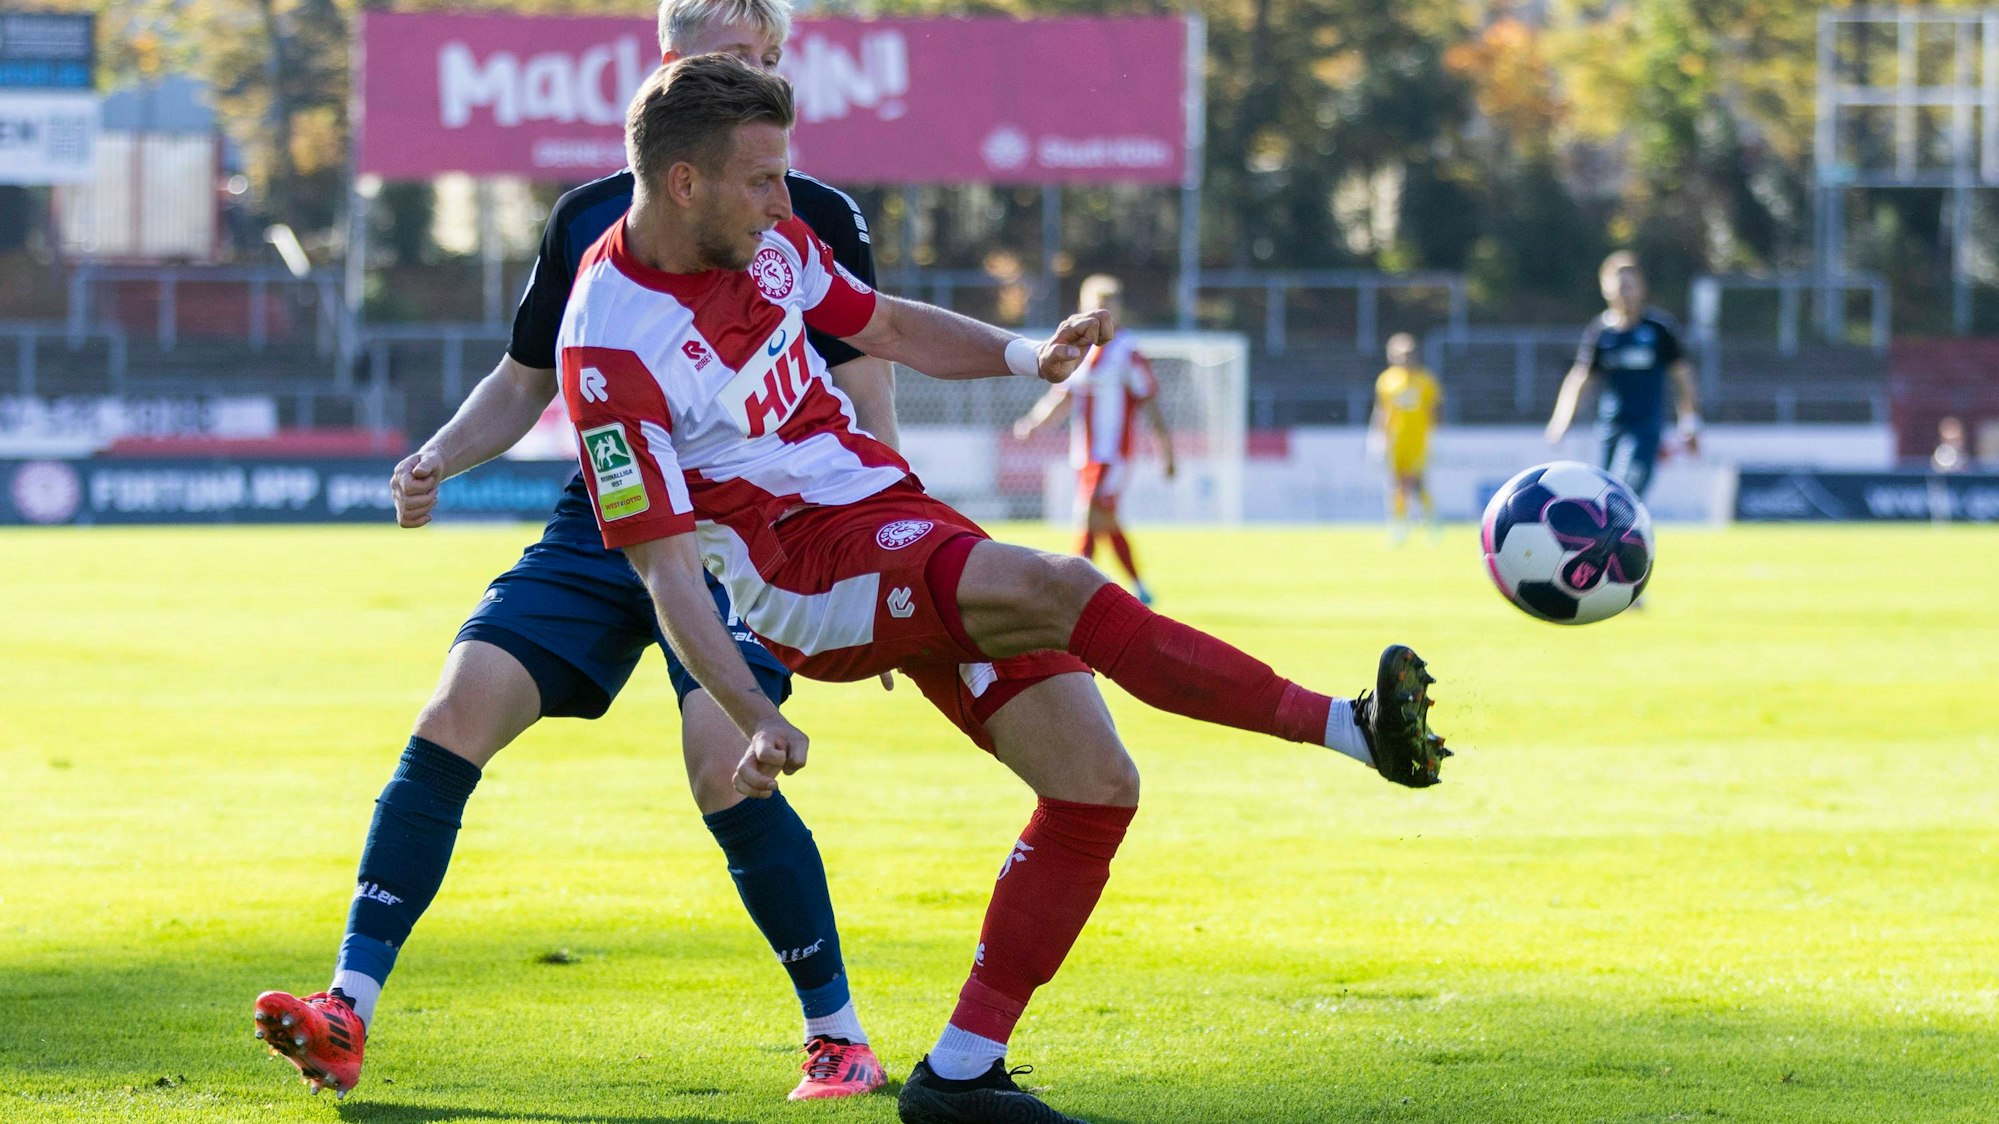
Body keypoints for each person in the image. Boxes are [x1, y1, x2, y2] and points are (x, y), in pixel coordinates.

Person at [560, 55, 1451, 1124]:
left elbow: (882, 324)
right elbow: (664, 567)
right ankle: (1349, 728)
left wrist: (1033, 357)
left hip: (886, 514)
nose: (784, 203)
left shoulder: (772, 242)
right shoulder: (606, 344)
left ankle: (961, 1072)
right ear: (685, 182)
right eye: (760, 180)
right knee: (1062, 580)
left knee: (1094, 782)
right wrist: (753, 712)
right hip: (804, 571)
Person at [250, 0, 890, 1103]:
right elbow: (525, 378)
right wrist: (437, 457)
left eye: (765, 56)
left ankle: (836, 1035)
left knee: (720, 768)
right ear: (668, 65)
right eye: (728, 55)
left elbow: (868, 376)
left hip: (745, 536)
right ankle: (345, 1006)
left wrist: (878, 558)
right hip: (605, 519)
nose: (754, 72)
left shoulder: (810, 216)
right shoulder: (590, 216)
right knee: (453, 709)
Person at [1012, 274, 1174, 603]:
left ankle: (1073, 593)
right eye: (1095, 307)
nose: (1100, 315)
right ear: (1082, 309)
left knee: (1088, 513)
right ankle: (1139, 587)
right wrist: (1034, 423)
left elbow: (1150, 401)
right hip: (1085, 453)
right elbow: (1062, 397)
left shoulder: (1127, 352)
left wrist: (1166, 453)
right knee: (1104, 519)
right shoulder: (1077, 354)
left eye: (1107, 308)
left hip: (1113, 454)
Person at [1545, 252, 1702, 498]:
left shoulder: (1659, 330)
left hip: (1645, 429)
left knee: (1624, 491)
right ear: (1605, 289)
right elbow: (1580, 379)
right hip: (1610, 427)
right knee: (1607, 496)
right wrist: (1560, 421)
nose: (1624, 293)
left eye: (1629, 286)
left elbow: (1683, 378)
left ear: (1641, 288)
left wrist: (1689, 423)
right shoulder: (1601, 332)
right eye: (1619, 286)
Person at [1367, 332, 1442, 543]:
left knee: (1419, 483)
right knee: (1397, 484)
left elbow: (1433, 411)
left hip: (1418, 440)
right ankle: (1399, 526)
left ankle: (1431, 524)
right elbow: (1382, 411)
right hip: (1395, 441)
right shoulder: (1386, 380)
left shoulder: (1426, 380)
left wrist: (1437, 438)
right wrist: (1378, 439)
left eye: (1408, 354)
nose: (1404, 358)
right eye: (1400, 354)